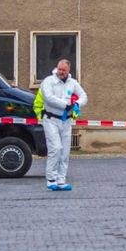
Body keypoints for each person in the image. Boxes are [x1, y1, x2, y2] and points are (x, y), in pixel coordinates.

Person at [39, 59, 88, 192]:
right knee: (56, 148)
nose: (61, 72)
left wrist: (77, 103)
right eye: (59, 69)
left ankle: (61, 180)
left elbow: (84, 96)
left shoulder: (72, 83)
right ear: (57, 68)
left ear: (68, 71)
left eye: (64, 70)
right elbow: (48, 98)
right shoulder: (49, 81)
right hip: (51, 119)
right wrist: (65, 104)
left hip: (66, 121)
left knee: (65, 151)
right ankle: (51, 179)